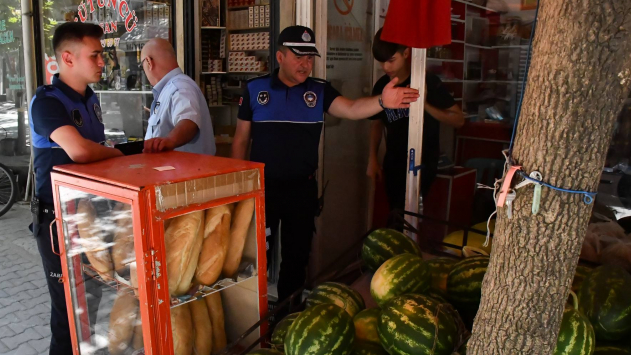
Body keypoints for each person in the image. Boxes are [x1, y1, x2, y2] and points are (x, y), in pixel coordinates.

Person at [231, 25, 419, 316]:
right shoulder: (256, 90)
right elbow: (241, 140)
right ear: (280, 57)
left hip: (301, 192)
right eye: (298, 57)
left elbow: (353, 108)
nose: (306, 64)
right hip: (261, 190)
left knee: (296, 258)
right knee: (255, 257)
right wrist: (239, 189)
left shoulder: (318, 91)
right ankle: (252, 318)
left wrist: (383, 101)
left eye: (310, 57)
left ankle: (288, 315)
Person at [29, 22, 123, 355]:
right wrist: (117, 153)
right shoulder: (48, 102)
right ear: (67, 58)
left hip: (91, 214)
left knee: (91, 303)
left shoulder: (90, 97)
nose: (103, 61)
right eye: (95, 55)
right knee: (68, 311)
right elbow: (81, 151)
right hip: (58, 221)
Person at [367, 28, 465, 213]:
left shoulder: (426, 81)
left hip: (423, 162)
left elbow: (458, 120)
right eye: (381, 62)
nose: (386, 67)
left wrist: (424, 104)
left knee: (414, 217)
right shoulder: (382, 85)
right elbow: (376, 123)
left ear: (406, 53)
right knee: (396, 214)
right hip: (394, 162)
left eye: (391, 60)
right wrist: (372, 158)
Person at [140, 38, 215, 155]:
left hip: (187, 171)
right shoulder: (169, 89)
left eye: (142, 65)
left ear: (149, 62)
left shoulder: (179, 87)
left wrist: (170, 141)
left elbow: (189, 121)